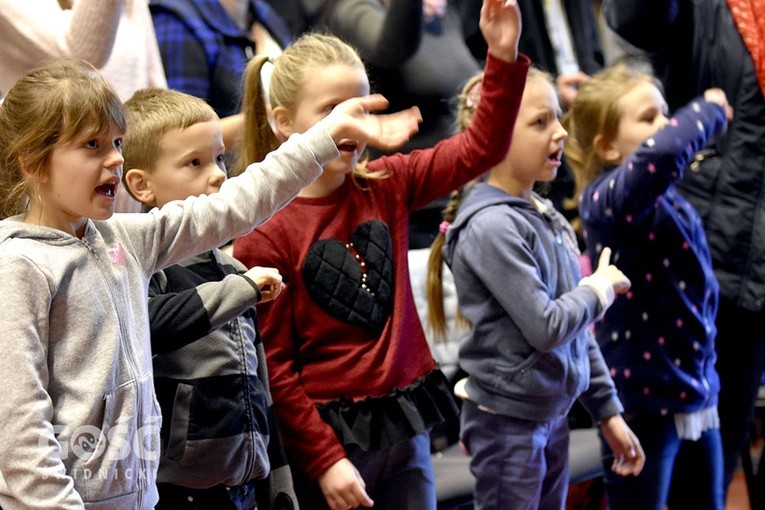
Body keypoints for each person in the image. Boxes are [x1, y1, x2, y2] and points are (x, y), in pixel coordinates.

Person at [0, 58, 420, 509]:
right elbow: (19, 429)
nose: (116, 158)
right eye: (92, 144)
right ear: (33, 163)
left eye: (117, 142)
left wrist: (323, 135)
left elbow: (239, 202)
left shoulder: (125, 240)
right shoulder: (20, 265)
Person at [231, 1, 529, 508]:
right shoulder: (263, 233)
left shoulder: (388, 183)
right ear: (282, 121)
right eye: (331, 111)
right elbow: (274, 368)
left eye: (363, 107)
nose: (355, 124)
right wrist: (325, 460)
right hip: (331, 446)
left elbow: (481, 148)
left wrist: (502, 55)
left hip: (404, 428)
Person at [427, 66, 644, 510]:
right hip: (507, 425)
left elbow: (577, 335)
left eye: (558, 119)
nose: (561, 132)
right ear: (493, 135)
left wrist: (609, 412)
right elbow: (548, 326)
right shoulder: (491, 226)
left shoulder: (546, 215)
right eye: (541, 122)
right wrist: (598, 290)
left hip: (550, 413)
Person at [602, 2, 765, 504]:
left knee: (709, 481)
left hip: (752, 266)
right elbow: (633, 16)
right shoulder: (708, 10)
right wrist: (703, 117)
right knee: (670, 480)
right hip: (706, 264)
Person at [119, 87, 297, 510]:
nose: (219, 174)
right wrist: (239, 291)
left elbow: (260, 391)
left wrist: (282, 486)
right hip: (178, 493)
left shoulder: (234, 271)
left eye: (219, 158)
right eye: (194, 163)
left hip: (245, 488)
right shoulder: (140, 267)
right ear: (142, 185)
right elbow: (146, 323)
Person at [564, 60, 730, 509]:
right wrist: (708, 110)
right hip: (643, 405)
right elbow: (661, 155)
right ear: (609, 147)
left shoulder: (668, 199)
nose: (667, 126)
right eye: (649, 118)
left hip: (695, 394)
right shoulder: (606, 202)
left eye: (665, 113)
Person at [149, 0, 292, 122]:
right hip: (238, 154)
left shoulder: (262, 12)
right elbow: (185, 133)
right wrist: (263, 122)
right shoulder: (176, 19)